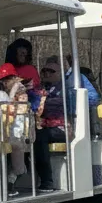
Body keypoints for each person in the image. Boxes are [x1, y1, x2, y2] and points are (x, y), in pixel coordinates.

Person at [0, 62, 32, 196]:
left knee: (17, 155)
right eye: (3, 80)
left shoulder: (21, 94)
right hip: (5, 129)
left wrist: (13, 94)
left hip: (17, 130)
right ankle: (8, 181)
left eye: (7, 80)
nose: (5, 83)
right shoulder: (2, 93)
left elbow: (18, 115)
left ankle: (12, 181)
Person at [33, 56, 68, 191]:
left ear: (59, 74)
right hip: (44, 125)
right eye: (44, 71)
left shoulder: (64, 89)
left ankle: (47, 180)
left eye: (51, 71)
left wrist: (43, 101)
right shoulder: (41, 89)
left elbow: (55, 105)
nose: (46, 74)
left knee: (40, 136)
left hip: (62, 128)